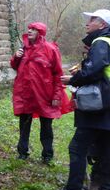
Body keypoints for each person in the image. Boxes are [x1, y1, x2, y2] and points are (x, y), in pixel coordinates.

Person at [45, 9, 110, 190]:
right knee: (105, 151)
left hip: (98, 108)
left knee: (77, 148)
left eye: (91, 19)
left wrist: (73, 79)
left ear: (102, 24)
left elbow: (92, 71)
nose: (87, 23)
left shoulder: (102, 43)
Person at [10, 22, 72, 164]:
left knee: (46, 126)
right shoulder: (24, 49)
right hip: (26, 95)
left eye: (33, 29)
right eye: (29, 29)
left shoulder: (50, 49)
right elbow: (15, 66)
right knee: (24, 124)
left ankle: (47, 155)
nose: (30, 31)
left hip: (44, 95)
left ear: (40, 32)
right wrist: (16, 57)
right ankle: (22, 152)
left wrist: (57, 95)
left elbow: (58, 74)